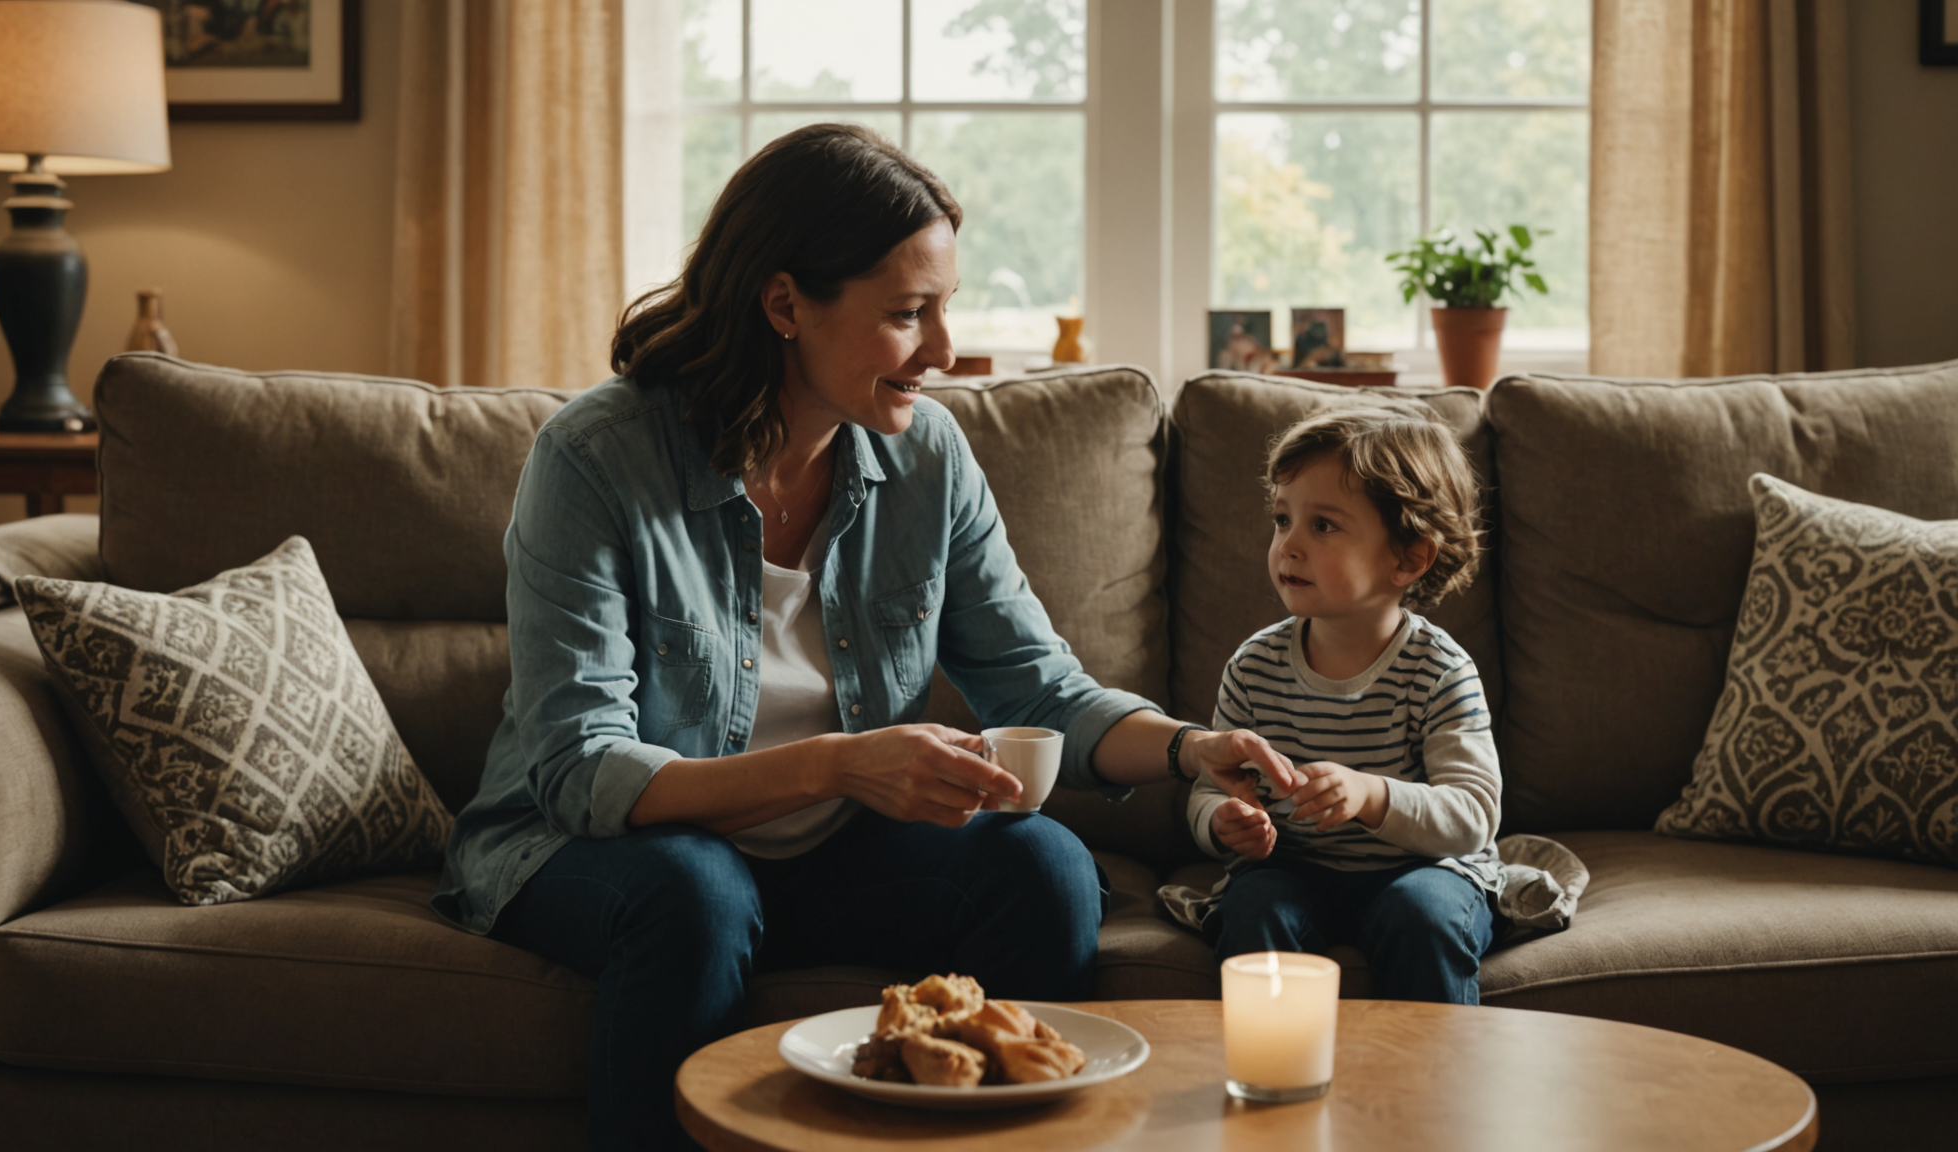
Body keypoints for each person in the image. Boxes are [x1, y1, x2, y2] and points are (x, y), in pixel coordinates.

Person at [430, 123, 1299, 1150]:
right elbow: (582, 770)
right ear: (787, 302)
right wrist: (842, 767)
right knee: (697, 893)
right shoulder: (596, 461)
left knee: (1046, 866)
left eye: (947, 308)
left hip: (827, 859)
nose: (942, 349)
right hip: (594, 851)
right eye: (907, 314)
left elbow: (1034, 684)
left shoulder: (927, 455)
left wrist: (1191, 748)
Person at [1189, 407, 1503, 1005]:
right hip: (1293, 869)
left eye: (1323, 526)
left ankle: (1432, 1084)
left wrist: (1370, 795)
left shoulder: (1440, 671)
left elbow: (1472, 815)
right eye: (1282, 520)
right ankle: (1269, 1078)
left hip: (1423, 869)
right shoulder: (1254, 666)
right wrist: (1220, 822)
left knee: (1425, 914)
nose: (1289, 546)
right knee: (1253, 906)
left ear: (1409, 557)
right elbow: (1210, 785)